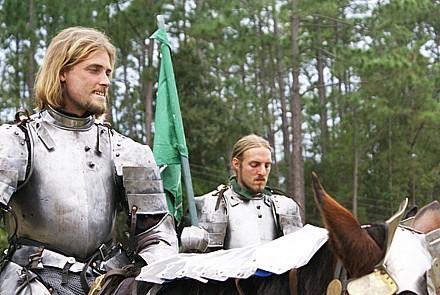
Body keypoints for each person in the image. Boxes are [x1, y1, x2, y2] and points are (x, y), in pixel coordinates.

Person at [0, 26, 178, 294]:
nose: (105, 80)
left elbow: (157, 235)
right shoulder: (15, 141)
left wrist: (139, 283)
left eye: (107, 72)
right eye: (94, 70)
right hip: (29, 281)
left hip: (108, 281)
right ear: (62, 72)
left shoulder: (128, 150)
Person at [180, 134, 303, 252]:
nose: (262, 172)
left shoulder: (285, 207)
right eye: (254, 165)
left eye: (267, 165)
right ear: (236, 164)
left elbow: (298, 260)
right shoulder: (208, 206)